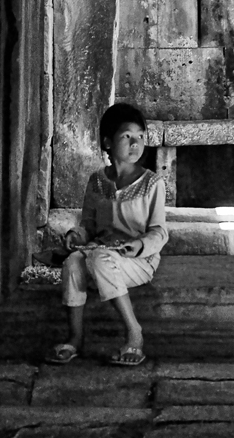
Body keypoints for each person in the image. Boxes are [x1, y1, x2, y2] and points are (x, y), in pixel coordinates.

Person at [45, 102, 168, 366]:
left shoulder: (152, 183)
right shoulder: (97, 181)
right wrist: (75, 236)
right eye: (127, 136)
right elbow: (87, 224)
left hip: (138, 261)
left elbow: (159, 231)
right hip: (98, 254)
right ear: (108, 142)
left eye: (140, 137)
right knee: (72, 262)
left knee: (99, 258)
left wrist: (139, 245)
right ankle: (75, 337)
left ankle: (134, 334)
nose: (135, 144)